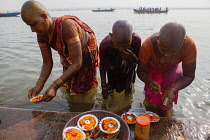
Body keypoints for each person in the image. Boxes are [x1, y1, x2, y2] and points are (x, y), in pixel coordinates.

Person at [21, 0, 98, 102]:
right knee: (68, 84)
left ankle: (83, 104)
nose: (32, 30)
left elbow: (77, 63)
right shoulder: (41, 34)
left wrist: (54, 86)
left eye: (34, 24)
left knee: (81, 88)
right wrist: (39, 85)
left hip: (85, 51)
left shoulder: (68, 27)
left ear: (44, 16)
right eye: (29, 26)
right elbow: (47, 62)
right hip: (68, 52)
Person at [137, 22, 197, 117]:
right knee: (152, 94)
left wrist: (174, 89)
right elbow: (141, 71)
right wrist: (148, 81)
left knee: (168, 94)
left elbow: (189, 75)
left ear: (183, 42)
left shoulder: (189, 46)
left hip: (173, 67)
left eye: (173, 51)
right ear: (158, 39)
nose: (167, 54)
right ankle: (150, 109)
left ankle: (166, 111)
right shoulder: (148, 45)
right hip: (154, 66)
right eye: (163, 49)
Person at [99, 20, 141, 99]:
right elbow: (103, 66)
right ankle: (111, 102)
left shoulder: (136, 41)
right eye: (118, 45)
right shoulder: (105, 45)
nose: (121, 49)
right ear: (111, 36)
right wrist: (103, 86)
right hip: (112, 67)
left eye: (126, 45)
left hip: (129, 68)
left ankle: (128, 105)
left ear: (132, 36)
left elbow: (140, 63)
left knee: (128, 87)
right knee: (111, 88)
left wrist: (133, 58)